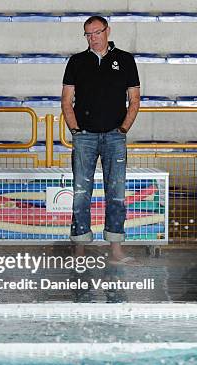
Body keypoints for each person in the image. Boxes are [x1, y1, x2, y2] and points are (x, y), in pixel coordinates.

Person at [61, 15, 141, 265]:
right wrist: (75, 131)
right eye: (88, 34)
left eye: (96, 33)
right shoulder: (76, 61)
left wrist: (123, 129)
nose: (92, 38)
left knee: (116, 192)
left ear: (107, 31)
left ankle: (116, 249)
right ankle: (80, 249)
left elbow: (135, 99)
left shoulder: (126, 60)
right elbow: (66, 101)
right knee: (81, 193)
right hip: (84, 137)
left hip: (115, 137)